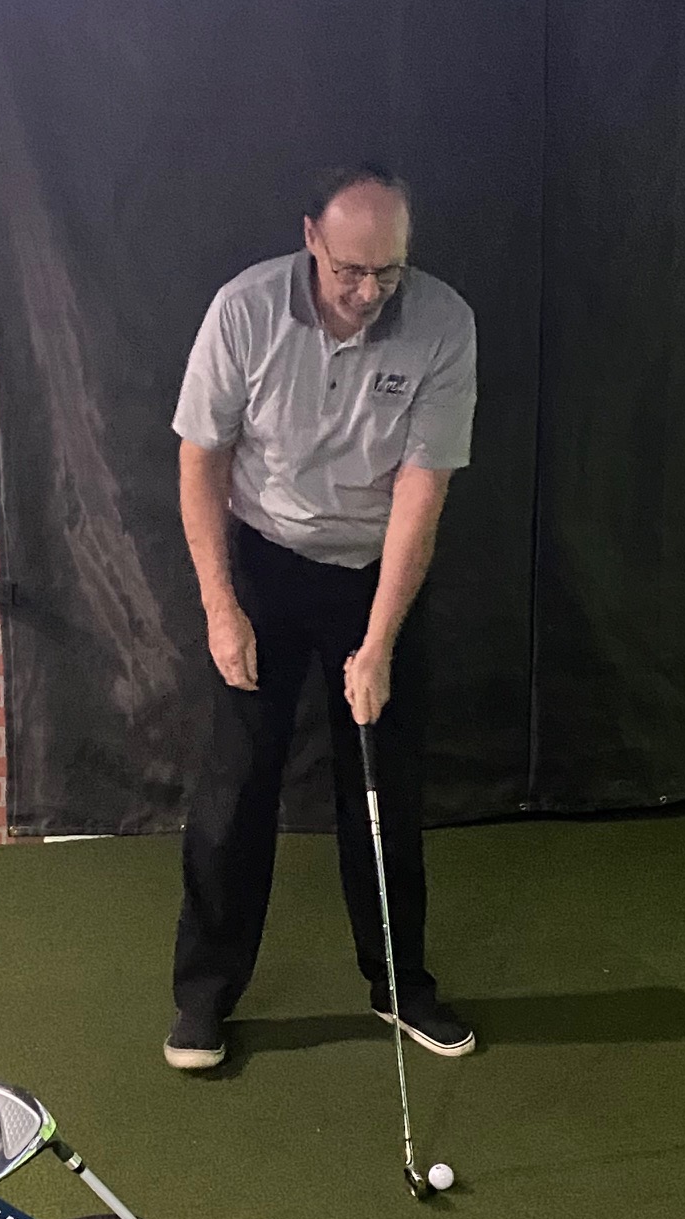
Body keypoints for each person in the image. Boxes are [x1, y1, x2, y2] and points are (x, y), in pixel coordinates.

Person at [165, 164, 477, 1070]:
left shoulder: (444, 322)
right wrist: (221, 607)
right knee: (235, 791)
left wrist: (377, 643)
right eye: (350, 271)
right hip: (265, 560)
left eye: (389, 271)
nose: (369, 291)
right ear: (311, 238)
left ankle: (400, 985)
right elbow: (200, 461)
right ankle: (204, 998)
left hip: (376, 571)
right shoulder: (246, 311)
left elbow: (421, 493)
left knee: (382, 787)